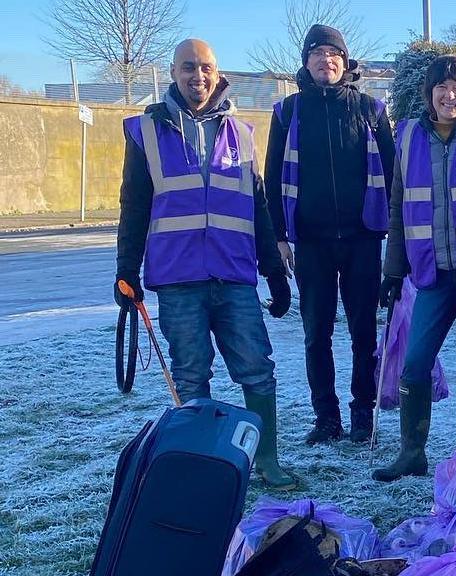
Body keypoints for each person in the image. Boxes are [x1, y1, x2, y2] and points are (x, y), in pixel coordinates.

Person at [114, 39, 297, 490]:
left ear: (218, 74)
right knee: (191, 375)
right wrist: (125, 271)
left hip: (234, 277)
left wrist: (274, 271)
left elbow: (257, 207)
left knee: (257, 369)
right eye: (188, 68)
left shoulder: (243, 134)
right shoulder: (146, 132)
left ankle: (266, 460)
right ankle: (200, 464)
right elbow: (134, 206)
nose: (198, 76)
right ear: (174, 73)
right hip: (177, 281)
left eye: (206, 68)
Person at [372, 55, 456, 482]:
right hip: (429, 275)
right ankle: (412, 452)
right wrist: (393, 272)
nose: (450, 96)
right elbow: (398, 208)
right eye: (441, 89)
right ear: (428, 94)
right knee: (414, 362)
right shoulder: (409, 136)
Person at [265, 25, 396, 446]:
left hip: (362, 239)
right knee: (316, 332)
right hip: (310, 241)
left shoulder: (372, 111)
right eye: (318, 53)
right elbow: (271, 180)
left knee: (364, 332)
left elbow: (393, 177)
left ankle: (363, 414)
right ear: (306, 62)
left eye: (334, 53)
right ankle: (326, 417)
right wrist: (279, 237)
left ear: (346, 61)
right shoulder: (287, 112)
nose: (327, 60)